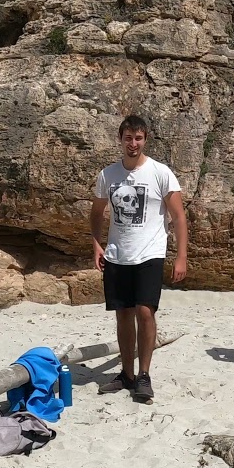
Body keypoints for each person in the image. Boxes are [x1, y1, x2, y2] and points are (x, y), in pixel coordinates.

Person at [90, 115, 188, 403]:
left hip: (150, 254)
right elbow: (96, 214)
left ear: (145, 140)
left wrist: (181, 256)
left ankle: (144, 375)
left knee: (146, 312)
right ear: (120, 139)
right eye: (128, 138)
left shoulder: (161, 173)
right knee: (123, 315)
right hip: (118, 255)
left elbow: (179, 217)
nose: (133, 144)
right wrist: (96, 244)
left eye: (138, 138)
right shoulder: (108, 175)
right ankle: (127, 374)